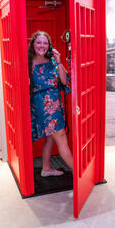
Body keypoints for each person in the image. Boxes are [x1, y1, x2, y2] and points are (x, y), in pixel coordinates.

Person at [28, 31, 73, 177]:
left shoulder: (52, 60)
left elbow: (65, 81)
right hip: (43, 105)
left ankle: (46, 169)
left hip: (55, 102)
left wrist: (60, 62)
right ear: (33, 44)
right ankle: (80, 173)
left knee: (50, 138)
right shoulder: (28, 62)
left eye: (45, 43)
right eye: (39, 42)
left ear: (49, 46)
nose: (42, 46)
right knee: (60, 137)